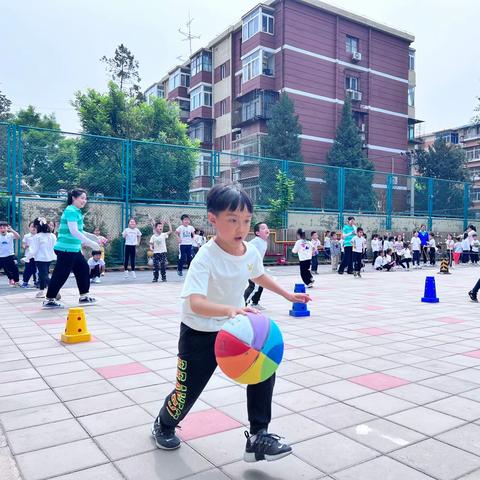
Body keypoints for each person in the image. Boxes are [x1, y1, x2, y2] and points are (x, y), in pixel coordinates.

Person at [152, 183, 310, 461]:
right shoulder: (206, 256)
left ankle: (258, 436)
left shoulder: (248, 251)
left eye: (246, 221)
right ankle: (164, 423)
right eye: (233, 220)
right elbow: (195, 302)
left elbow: (258, 275)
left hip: (233, 329)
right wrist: (231, 310)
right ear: (213, 220)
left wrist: (287, 295)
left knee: (264, 364)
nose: (241, 228)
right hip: (199, 332)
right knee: (186, 391)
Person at [42, 189, 100, 308]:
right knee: (61, 274)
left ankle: (84, 296)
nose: (84, 200)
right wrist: (90, 243)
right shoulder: (71, 210)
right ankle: (49, 300)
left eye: (85, 198)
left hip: (73, 249)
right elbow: (73, 231)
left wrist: (94, 237)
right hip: (66, 249)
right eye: (82, 198)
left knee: (83, 269)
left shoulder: (76, 211)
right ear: (74, 198)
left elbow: (79, 230)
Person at [27, 217, 57, 299]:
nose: (33, 228)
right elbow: (55, 247)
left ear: (37, 226)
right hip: (50, 258)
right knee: (43, 274)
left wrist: (27, 258)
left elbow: (33, 250)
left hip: (40, 258)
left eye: (34, 226)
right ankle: (41, 291)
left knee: (44, 275)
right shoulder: (52, 236)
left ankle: (55, 290)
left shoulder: (37, 237)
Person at [244, 222, 270, 309]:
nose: (266, 229)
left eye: (267, 228)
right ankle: (243, 305)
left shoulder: (263, 242)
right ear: (257, 233)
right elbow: (245, 248)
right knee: (254, 286)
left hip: (258, 267)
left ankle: (255, 303)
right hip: (251, 267)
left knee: (261, 284)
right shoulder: (256, 241)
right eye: (263, 228)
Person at [0, 221, 20, 286]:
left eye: (4, 228)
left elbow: (18, 237)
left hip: (10, 255)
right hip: (0, 256)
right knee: (6, 269)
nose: (2, 229)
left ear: (7, 228)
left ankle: (16, 281)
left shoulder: (10, 235)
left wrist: (11, 230)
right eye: (0, 228)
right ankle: (11, 279)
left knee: (14, 268)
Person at [21, 221, 38, 288]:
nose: (33, 228)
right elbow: (23, 244)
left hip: (37, 256)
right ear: (29, 228)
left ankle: (36, 281)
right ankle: (25, 281)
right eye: (32, 227)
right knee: (28, 269)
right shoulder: (26, 236)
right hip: (28, 256)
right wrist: (24, 246)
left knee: (36, 270)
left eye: (35, 227)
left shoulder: (39, 236)